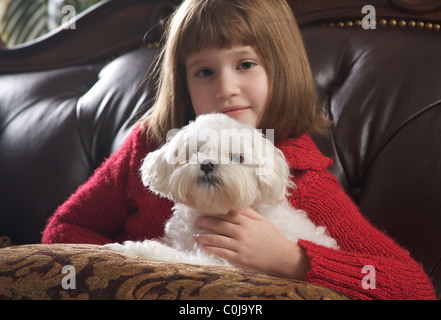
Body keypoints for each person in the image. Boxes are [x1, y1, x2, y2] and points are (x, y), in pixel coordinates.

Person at [41, 0, 436, 300]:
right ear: (184, 80)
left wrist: (291, 261)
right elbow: (63, 230)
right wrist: (137, 267)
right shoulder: (149, 144)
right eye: (205, 71)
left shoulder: (301, 178)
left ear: (279, 69)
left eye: (245, 64)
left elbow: (413, 286)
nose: (225, 88)